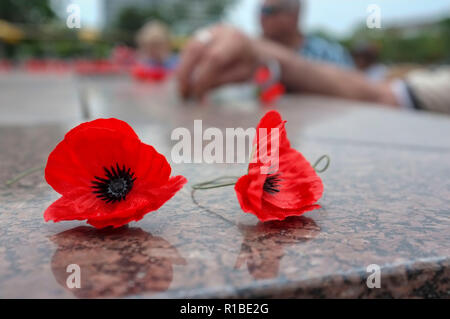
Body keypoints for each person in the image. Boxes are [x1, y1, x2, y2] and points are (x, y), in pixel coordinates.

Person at [177, 24, 450, 114]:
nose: (264, 17)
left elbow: (372, 94)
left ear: (295, 13)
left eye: (273, 11)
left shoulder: (326, 52)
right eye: (262, 10)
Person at [260, 0, 353, 68]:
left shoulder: (328, 55)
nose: (262, 17)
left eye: (269, 11)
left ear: (294, 14)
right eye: (261, 10)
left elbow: (353, 88)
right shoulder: (255, 55)